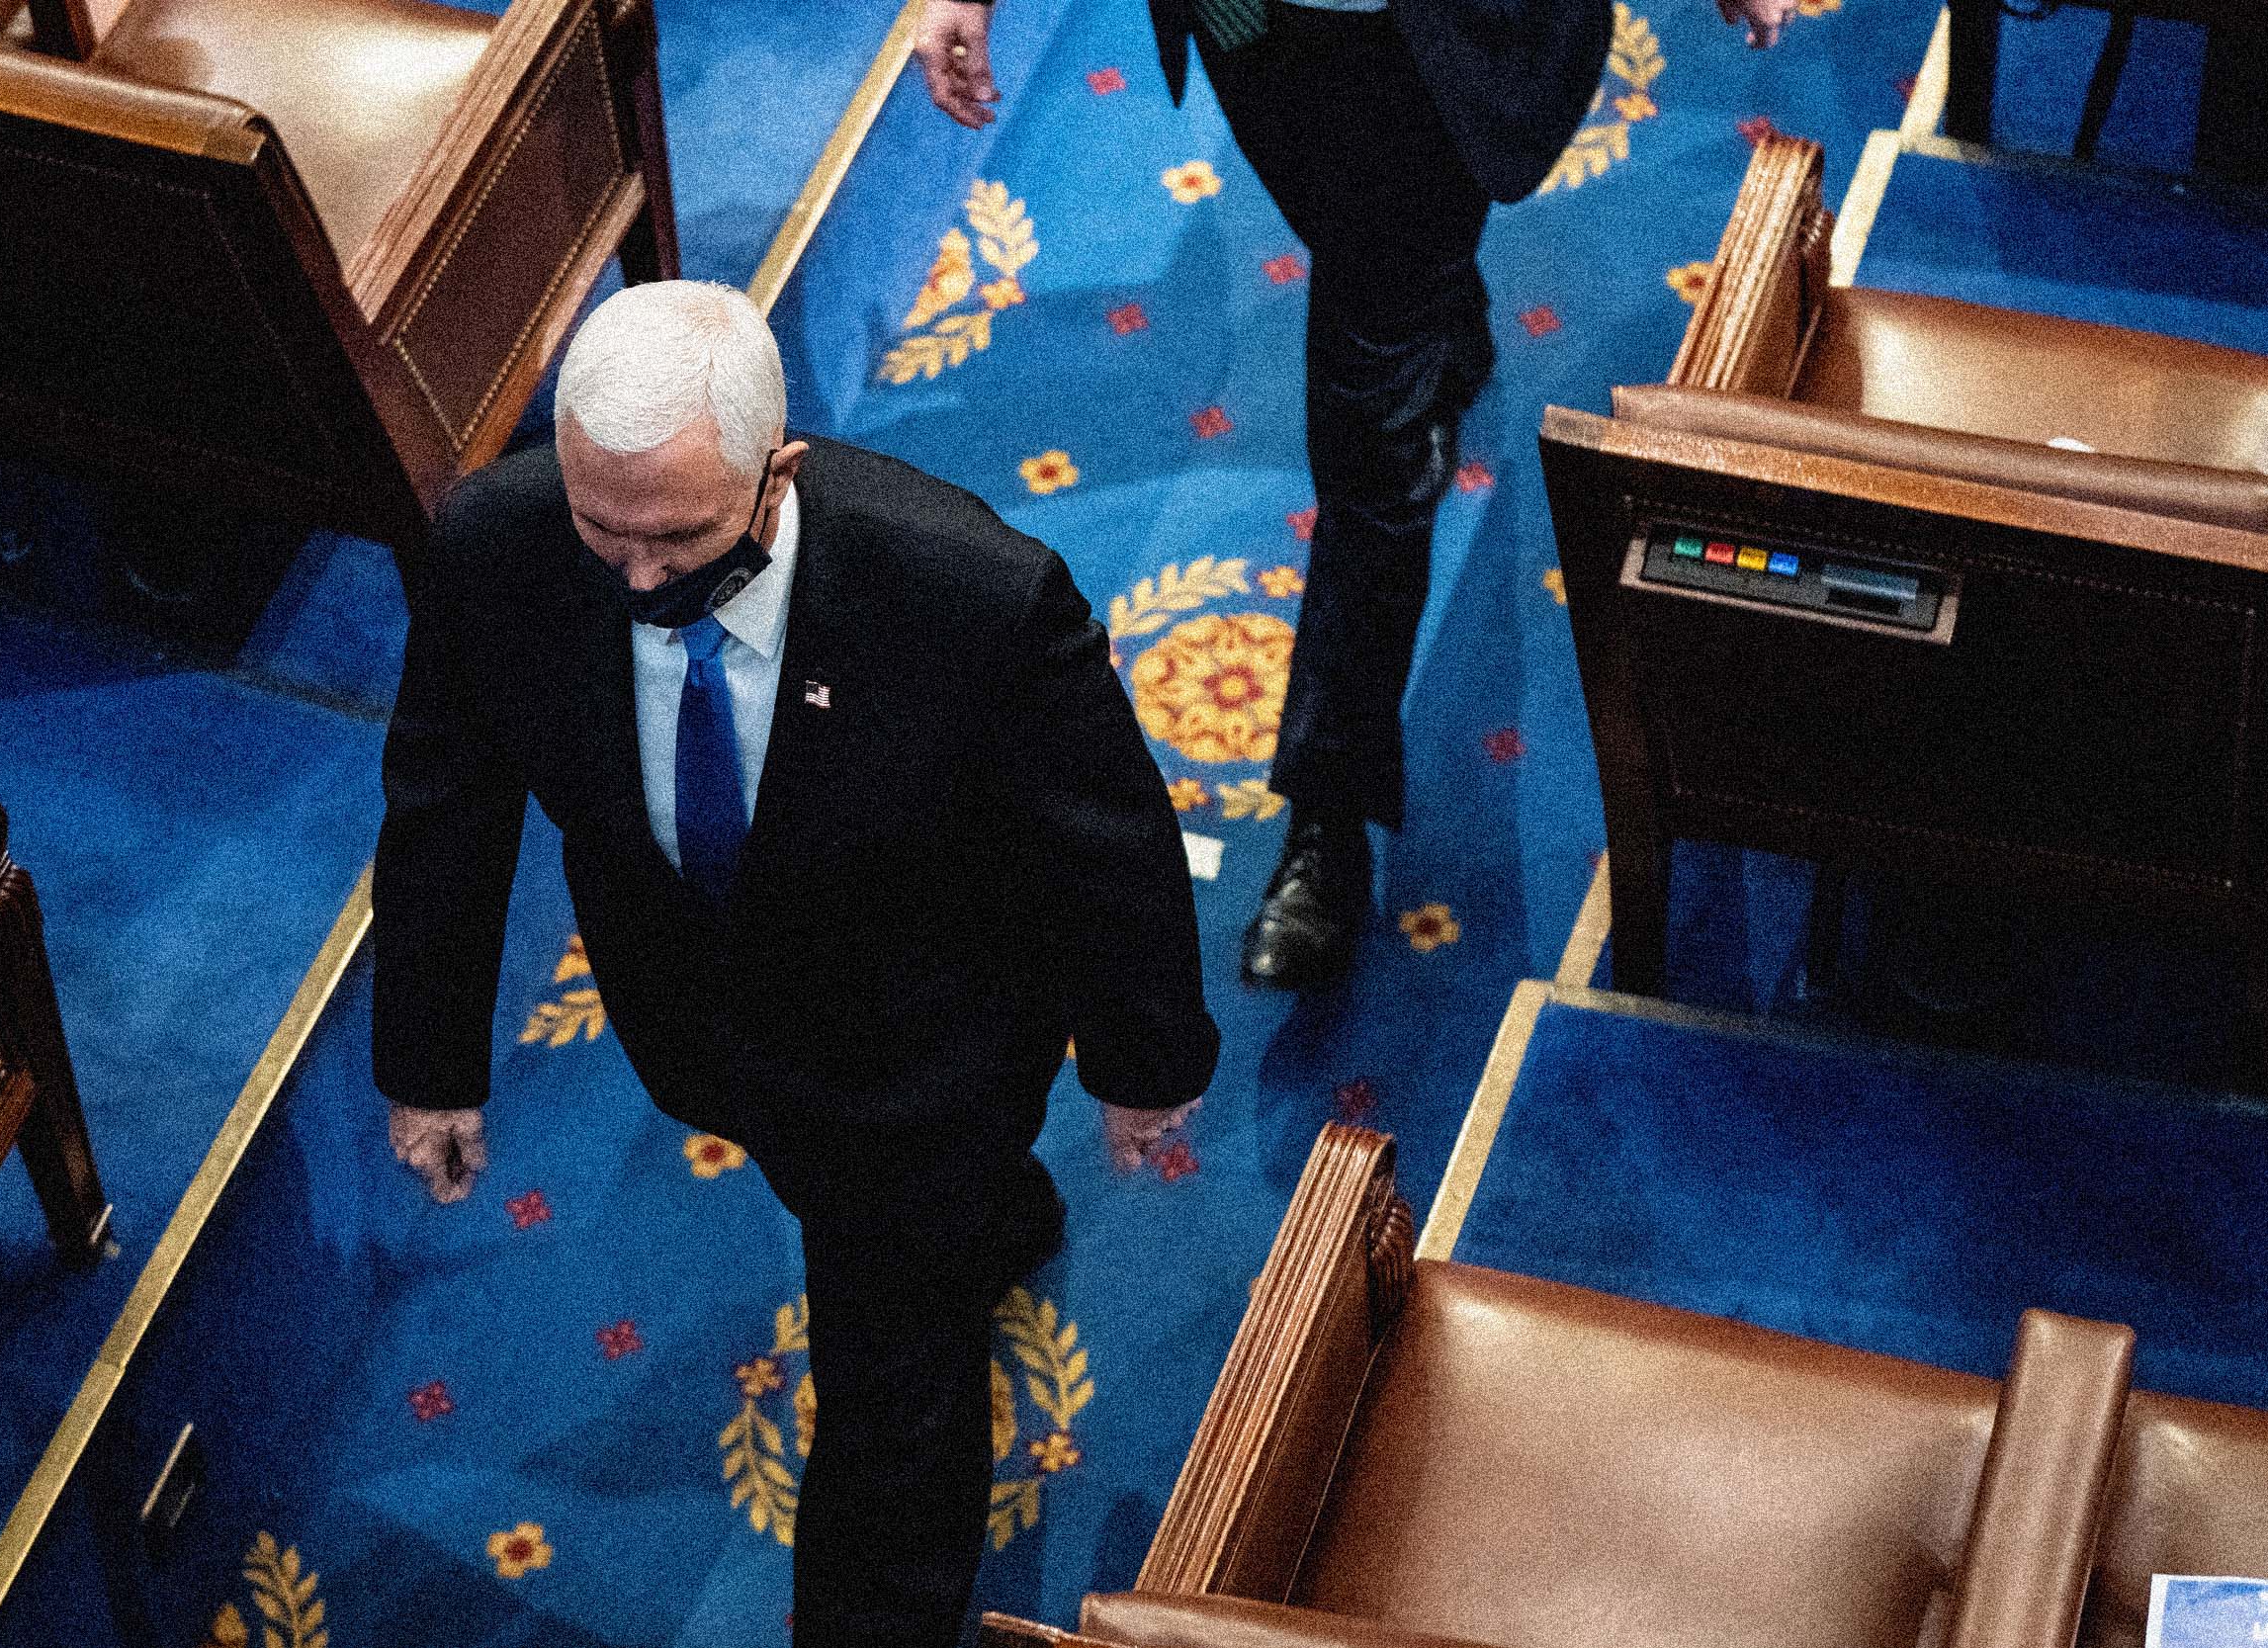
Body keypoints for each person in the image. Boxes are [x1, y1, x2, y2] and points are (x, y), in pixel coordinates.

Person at [372, 280, 1217, 1648]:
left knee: (896, 1387)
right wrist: (429, 1062)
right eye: (605, 532)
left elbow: (1106, 842)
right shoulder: (495, 544)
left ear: (780, 476)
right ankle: (996, 1218)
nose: (637, 582)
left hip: (928, 1044)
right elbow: (446, 797)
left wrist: (1141, 1064)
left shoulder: (973, 595)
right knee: (886, 1210)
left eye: (676, 539)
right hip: (700, 1024)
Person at [916, 0, 1800, 990]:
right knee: (1367, 252)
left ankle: (1327, 818)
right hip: (1242, 21)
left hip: (1413, 52)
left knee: (1369, 453)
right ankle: (1430, 316)